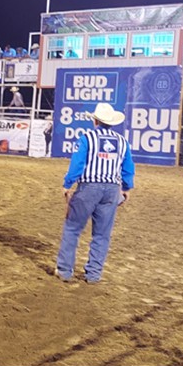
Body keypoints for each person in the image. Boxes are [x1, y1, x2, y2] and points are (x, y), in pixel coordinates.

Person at [55, 103, 135, 284]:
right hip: (112, 190)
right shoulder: (122, 142)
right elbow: (128, 167)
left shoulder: (86, 138)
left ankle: (65, 271)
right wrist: (127, 188)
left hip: (89, 187)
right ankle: (93, 274)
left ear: (96, 120)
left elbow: (77, 164)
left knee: (72, 228)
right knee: (101, 234)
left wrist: (67, 184)